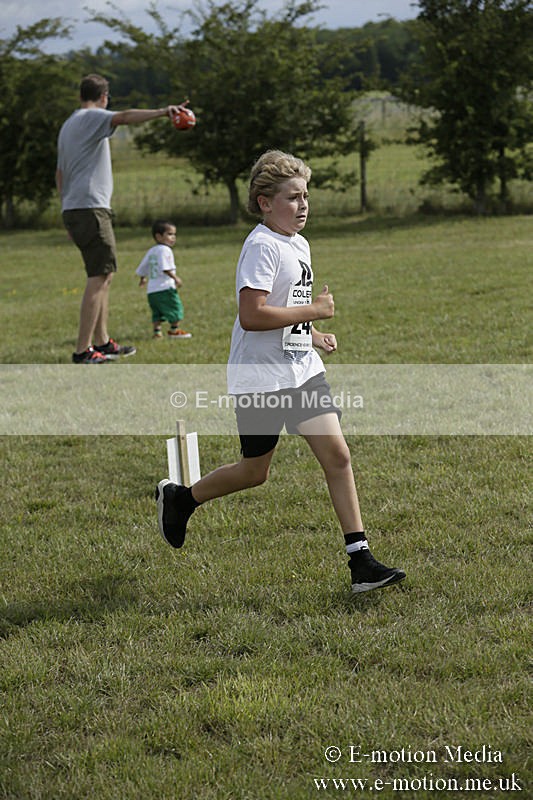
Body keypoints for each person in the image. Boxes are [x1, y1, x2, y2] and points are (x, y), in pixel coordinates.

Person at [155, 150, 405, 594]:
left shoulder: (298, 243)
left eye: (305, 196)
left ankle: (361, 561)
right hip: (260, 378)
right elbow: (252, 315)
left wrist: (312, 336)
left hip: (301, 371)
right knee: (255, 471)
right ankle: (182, 499)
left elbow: (285, 309)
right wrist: (316, 312)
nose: (303, 205)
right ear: (265, 202)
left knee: (338, 456)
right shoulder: (261, 246)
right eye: (292, 197)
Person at [56, 73, 186, 363]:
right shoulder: (92, 117)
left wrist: (66, 211)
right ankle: (82, 350)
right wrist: (164, 112)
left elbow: (60, 173)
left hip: (76, 208)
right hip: (91, 207)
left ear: (80, 95)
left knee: (105, 273)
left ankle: (102, 343)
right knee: (98, 277)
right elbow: (125, 117)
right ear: (104, 97)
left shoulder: (68, 124)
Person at [136, 220, 192, 339]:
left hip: (152, 291)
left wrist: (143, 278)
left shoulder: (152, 251)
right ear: (158, 236)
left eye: (174, 234)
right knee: (175, 308)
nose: (173, 237)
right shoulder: (165, 250)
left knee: (157, 312)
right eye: (170, 234)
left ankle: (157, 332)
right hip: (165, 288)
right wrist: (175, 278)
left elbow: (143, 266)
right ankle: (174, 330)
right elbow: (165, 268)